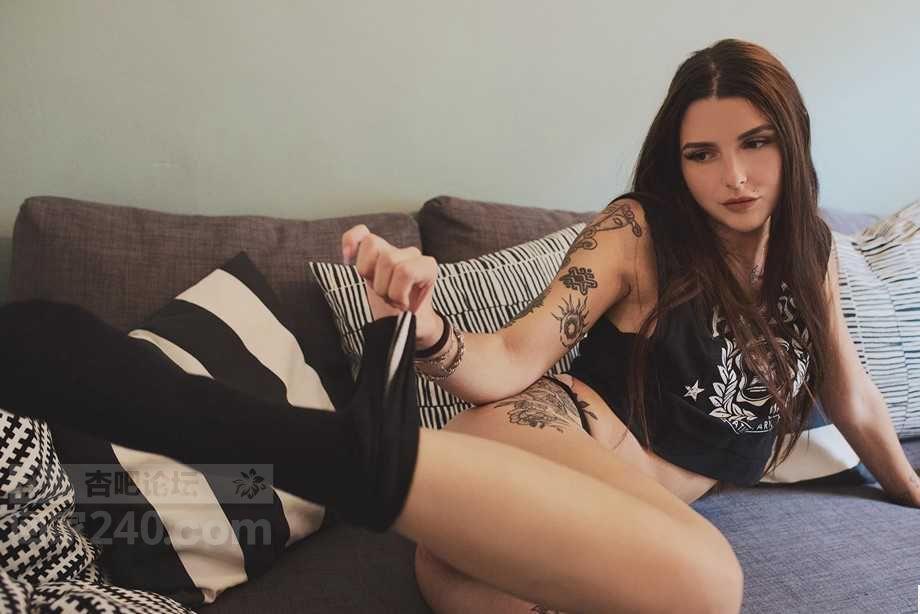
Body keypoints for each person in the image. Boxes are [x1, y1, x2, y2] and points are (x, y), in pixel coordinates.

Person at [340, 38, 920, 613]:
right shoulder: (636, 231)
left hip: (557, 519)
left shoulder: (811, 250)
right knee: (707, 581)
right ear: (677, 161)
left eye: (756, 142)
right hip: (539, 438)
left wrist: (908, 487)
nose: (735, 177)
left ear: (792, 139)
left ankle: (405, 496)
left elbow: (850, 394)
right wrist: (426, 328)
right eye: (702, 154)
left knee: (466, 569)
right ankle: (341, 452)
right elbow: (514, 355)